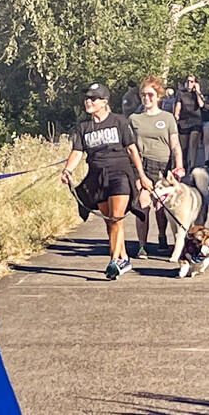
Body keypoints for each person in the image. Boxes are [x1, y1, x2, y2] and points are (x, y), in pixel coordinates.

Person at [61, 83, 152, 279]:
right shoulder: (83, 127)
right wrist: (67, 170)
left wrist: (142, 177)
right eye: (87, 98)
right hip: (96, 176)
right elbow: (77, 151)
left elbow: (132, 149)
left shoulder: (119, 121)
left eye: (93, 99)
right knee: (109, 221)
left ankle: (114, 261)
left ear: (104, 102)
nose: (88, 102)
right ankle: (124, 257)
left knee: (116, 217)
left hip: (120, 173)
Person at [129, 76, 185, 257]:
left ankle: (162, 236)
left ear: (158, 96)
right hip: (141, 165)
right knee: (142, 204)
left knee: (160, 206)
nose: (146, 98)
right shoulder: (134, 119)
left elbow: (175, 144)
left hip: (163, 166)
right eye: (143, 95)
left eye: (150, 95)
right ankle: (142, 245)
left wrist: (179, 165)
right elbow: (129, 146)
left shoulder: (167, 118)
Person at [173, 75, 204, 170]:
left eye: (192, 81)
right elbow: (178, 106)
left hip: (196, 120)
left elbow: (201, 104)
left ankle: (192, 165)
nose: (190, 83)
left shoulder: (197, 94)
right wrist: (176, 115)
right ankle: (184, 163)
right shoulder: (181, 93)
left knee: (193, 142)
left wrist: (197, 91)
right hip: (184, 120)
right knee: (184, 146)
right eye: (188, 81)